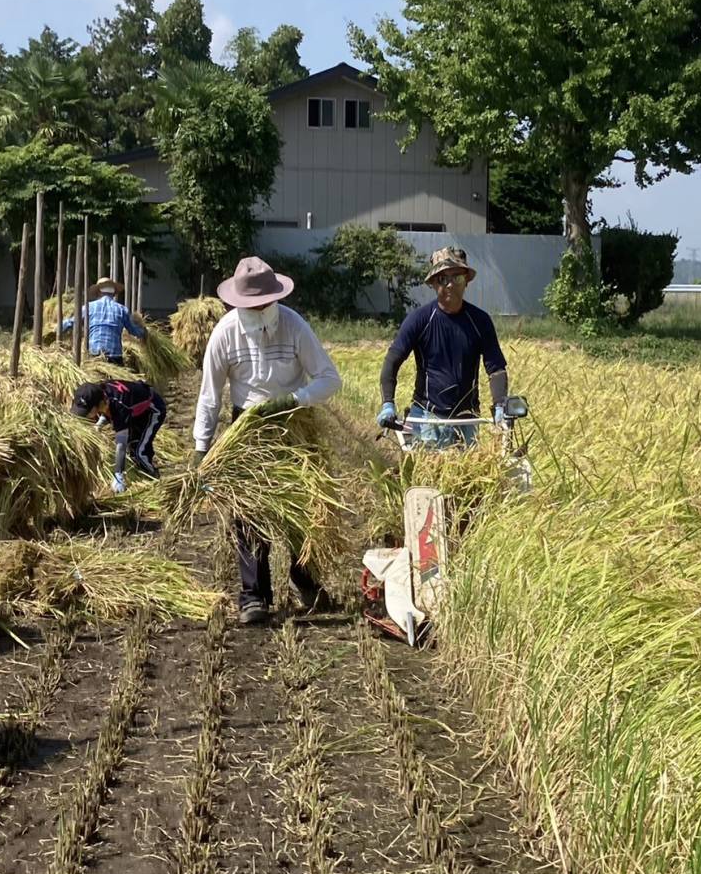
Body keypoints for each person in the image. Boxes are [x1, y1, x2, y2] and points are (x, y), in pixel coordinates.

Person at [193, 256, 342, 625]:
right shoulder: (225, 333)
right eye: (250, 304)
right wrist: (201, 448)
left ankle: (304, 577)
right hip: (246, 427)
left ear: (275, 297)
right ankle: (253, 595)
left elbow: (329, 379)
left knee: (301, 509)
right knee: (248, 513)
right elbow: (210, 395)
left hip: (293, 422)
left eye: (263, 302)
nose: (258, 309)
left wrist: (294, 399)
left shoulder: (293, 326)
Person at [376, 247, 509, 446]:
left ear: (466, 281)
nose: (449, 285)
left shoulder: (480, 321)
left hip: (467, 419)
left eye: (456, 278)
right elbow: (392, 360)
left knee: (469, 475)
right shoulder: (419, 320)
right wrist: (388, 403)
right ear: (432, 284)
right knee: (429, 474)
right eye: (442, 279)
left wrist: (500, 405)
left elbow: (496, 368)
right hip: (428, 418)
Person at [71, 378, 167, 494]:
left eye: (87, 411)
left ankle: (153, 479)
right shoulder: (99, 393)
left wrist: (118, 475)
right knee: (133, 446)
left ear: (99, 404)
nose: (86, 415)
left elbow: (121, 444)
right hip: (133, 410)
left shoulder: (120, 405)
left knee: (139, 452)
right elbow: (109, 409)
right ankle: (142, 477)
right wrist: (99, 425)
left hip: (153, 410)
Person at [61, 277, 145, 366]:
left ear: (99, 292)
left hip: (95, 353)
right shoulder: (122, 310)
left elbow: (72, 322)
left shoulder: (89, 307)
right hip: (115, 355)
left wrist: (58, 327)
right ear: (113, 294)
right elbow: (134, 330)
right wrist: (144, 332)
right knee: (117, 378)